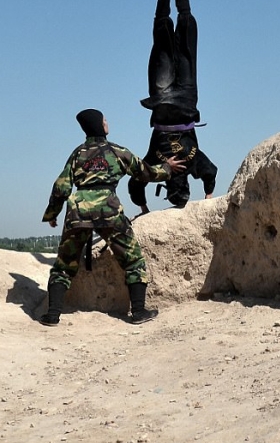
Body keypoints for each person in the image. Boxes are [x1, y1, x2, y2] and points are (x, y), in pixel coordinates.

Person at [39, 109, 185, 326]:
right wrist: (167, 168)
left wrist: (52, 214)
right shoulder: (116, 151)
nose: (107, 122)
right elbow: (145, 172)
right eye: (105, 119)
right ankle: (138, 312)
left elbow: (61, 187)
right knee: (133, 259)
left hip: (78, 212)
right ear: (100, 125)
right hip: (108, 210)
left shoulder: (77, 153)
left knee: (63, 265)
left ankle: (52, 315)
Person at [128, 0, 218, 213]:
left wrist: (209, 194)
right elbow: (136, 184)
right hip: (163, 101)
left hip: (187, 101)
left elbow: (211, 173)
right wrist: (143, 207)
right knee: (163, 39)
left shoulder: (193, 165)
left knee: (186, 42)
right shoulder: (157, 166)